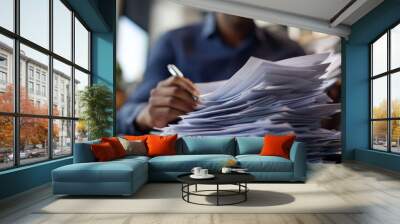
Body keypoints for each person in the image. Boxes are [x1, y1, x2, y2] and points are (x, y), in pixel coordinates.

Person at [117, 13, 305, 135]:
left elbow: (312, 118)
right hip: (190, 165)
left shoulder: (289, 51)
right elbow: (124, 115)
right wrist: (148, 114)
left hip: (276, 163)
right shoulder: (174, 43)